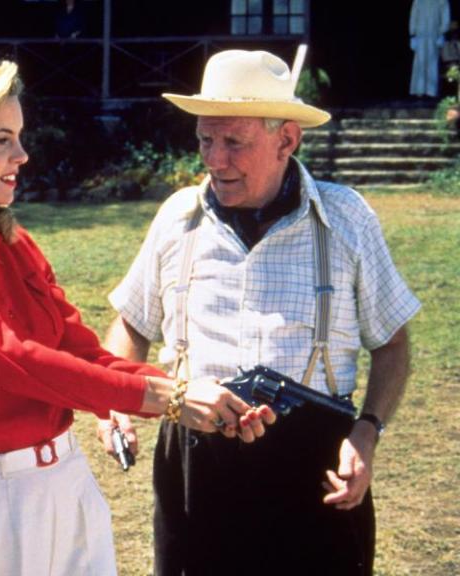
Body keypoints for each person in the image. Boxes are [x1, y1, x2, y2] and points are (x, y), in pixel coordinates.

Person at [0, 56, 271, 576]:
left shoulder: (11, 241)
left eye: (19, 136)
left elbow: (82, 352)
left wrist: (193, 396)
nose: (23, 155)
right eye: (1, 140)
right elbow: (9, 358)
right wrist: (169, 398)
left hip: (69, 484)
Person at [98, 49, 421, 575]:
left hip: (316, 469)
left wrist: (367, 432)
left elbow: (392, 341)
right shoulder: (178, 217)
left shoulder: (345, 220)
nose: (214, 159)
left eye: (234, 143)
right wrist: (114, 399)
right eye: (206, 139)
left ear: (286, 140)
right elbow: (133, 323)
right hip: (194, 461)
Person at [410, 0, 451, 97]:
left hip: (434, 35)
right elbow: (414, 16)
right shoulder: (418, 1)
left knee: (432, 62)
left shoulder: (441, 1)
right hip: (420, 35)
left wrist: (442, 33)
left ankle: (431, 90)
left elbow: (445, 16)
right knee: (419, 63)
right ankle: (418, 90)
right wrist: (413, 34)